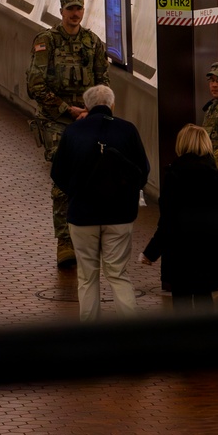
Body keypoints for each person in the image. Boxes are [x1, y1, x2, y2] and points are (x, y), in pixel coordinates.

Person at [50, 84, 149, 322]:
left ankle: (91, 333)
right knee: (118, 273)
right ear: (112, 105)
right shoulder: (127, 130)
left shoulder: (74, 131)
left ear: (87, 106)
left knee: (87, 276)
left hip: (82, 215)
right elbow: (142, 171)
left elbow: (58, 172)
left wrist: (76, 192)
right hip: (120, 216)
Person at [26, 0, 109, 268]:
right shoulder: (46, 42)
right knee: (63, 182)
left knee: (90, 178)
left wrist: (93, 111)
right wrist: (67, 109)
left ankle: (85, 237)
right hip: (57, 120)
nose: (75, 13)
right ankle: (64, 242)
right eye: (70, 9)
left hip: (87, 119)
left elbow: (103, 85)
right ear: (61, 11)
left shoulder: (93, 43)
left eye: (79, 9)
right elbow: (36, 86)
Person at [141, 124, 218, 310]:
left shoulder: (174, 174)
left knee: (181, 299)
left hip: (179, 249)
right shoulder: (214, 175)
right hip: (208, 249)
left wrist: (151, 252)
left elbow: (167, 220)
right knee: (204, 296)